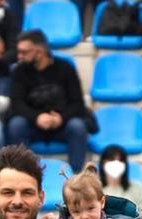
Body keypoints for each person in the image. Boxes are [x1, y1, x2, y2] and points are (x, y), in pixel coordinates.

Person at [7, 30, 93, 172]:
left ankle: (76, 178)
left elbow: (77, 103)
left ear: (39, 52)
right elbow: (16, 103)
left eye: (24, 52)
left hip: (62, 124)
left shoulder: (65, 68)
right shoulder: (19, 71)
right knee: (16, 124)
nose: (19, 56)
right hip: (33, 124)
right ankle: (21, 173)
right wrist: (37, 117)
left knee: (77, 126)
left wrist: (61, 118)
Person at [99, 144, 142, 213]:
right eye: (111, 160)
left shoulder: (137, 188)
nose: (116, 163)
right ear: (103, 163)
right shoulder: (94, 189)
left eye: (120, 160)